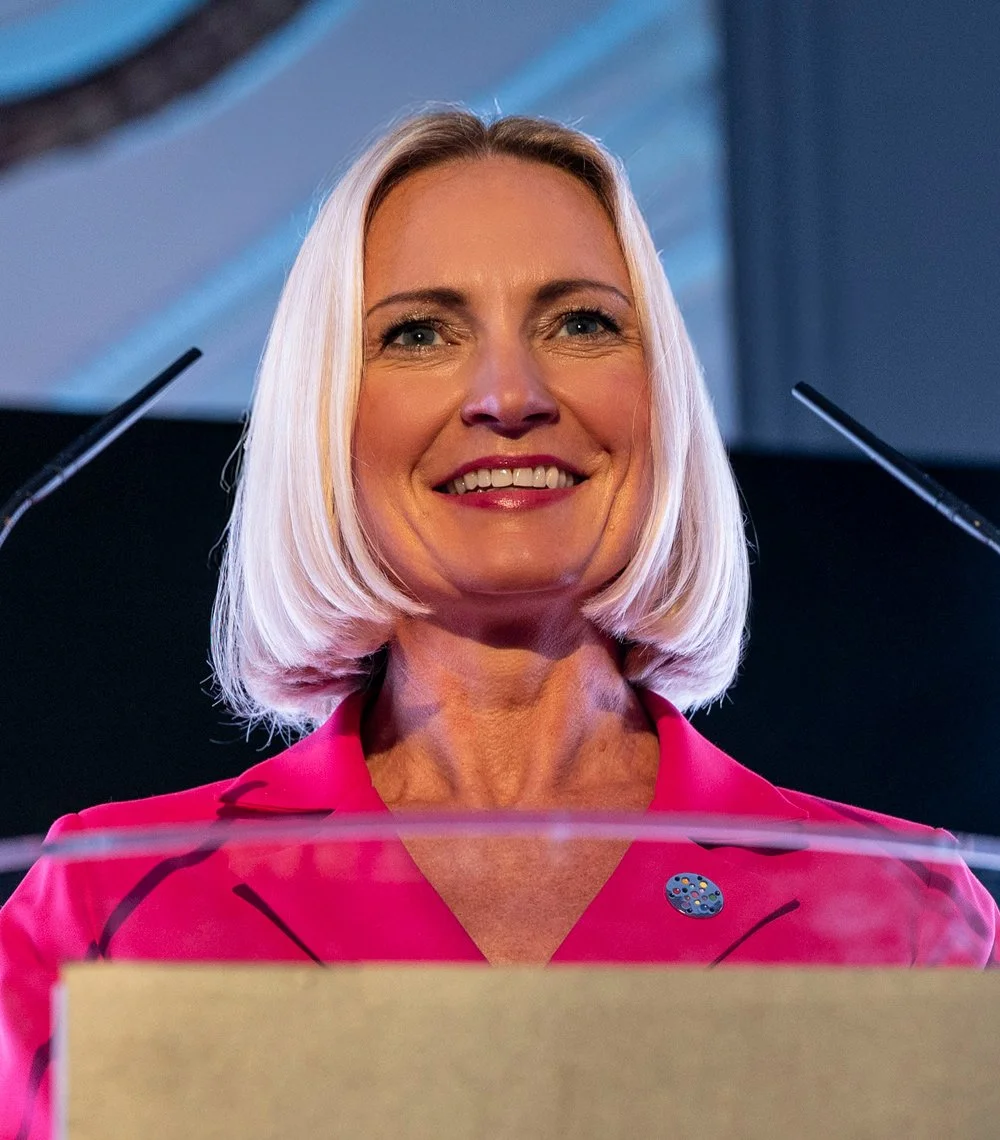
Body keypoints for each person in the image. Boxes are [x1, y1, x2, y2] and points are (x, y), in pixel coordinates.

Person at [1, 109, 996, 1138]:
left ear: (658, 401)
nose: (509, 395)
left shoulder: (903, 914)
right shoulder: (105, 908)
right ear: (325, 420)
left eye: (580, 323)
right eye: (418, 333)